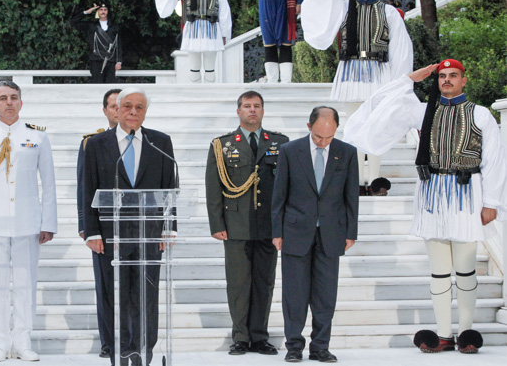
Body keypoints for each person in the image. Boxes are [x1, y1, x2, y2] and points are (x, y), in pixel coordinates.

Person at [343, 60, 507, 354]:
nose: (446, 80)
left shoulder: (480, 114)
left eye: (453, 76)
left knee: (466, 267)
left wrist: (492, 203)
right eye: (442, 76)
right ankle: (444, 334)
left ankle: (467, 331)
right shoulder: (422, 111)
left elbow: (495, 160)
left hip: (468, 194)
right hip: (432, 194)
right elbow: (379, 103)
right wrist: (409, 79)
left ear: (463, 81)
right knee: (440, 269)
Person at [82, 87, 177, 366]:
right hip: (111, 236)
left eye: (139, 108)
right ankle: (120, 353)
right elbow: (87, 188)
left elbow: (169, 187)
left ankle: (143, 353)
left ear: (145, 112)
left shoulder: (160, 142)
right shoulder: (98, 144)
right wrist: (92, 231)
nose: (133, 112)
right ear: (117, 109)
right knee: (116, 297)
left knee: (146, 296)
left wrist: (169, 226)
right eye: (127, 107)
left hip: (149, 235)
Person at [0, 81, 58, 362]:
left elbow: (49, 184)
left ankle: (23, 340)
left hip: (27, 221)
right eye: (3, 98)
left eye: (14, 98)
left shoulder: (37, 137)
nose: (9, 103)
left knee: (25, 284)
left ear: (21, 103)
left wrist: (48, 222)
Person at [301, 0, 413, 193]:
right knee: (354, 125)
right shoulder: (343, 9)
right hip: (351, 72)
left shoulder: (389, 12)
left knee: (377, 125)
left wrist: (399, 82)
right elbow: (314, 2)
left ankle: (374, 179)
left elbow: (401, 49)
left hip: (379, 71)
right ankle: (357, 179)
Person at [271, 107, 358, 363]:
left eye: (329, 137)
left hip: (332, 232)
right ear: (309, 127)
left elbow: (351, 196)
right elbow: (279, 195)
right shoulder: (289, 151)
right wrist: (277, 231)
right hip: (295, 231)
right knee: (294, 293)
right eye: (319, 136)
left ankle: (320, 346)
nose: (323, 142)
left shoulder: (347, 152)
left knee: (325, 294)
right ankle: (294, 346)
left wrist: (351, 231)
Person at [205, 90, 287, 356]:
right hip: (236, 224)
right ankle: (240, 337)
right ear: (238, 111)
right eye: (247, 106)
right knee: (239, 283)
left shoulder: (280, 143)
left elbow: (287, 187)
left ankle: (260, 337)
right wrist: (216, 223)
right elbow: (213, 187)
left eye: (257, 106)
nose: (252, 110)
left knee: (264, 282)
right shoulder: (222, 145)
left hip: (268, 226)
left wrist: (283, 225)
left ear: (263, 111)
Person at [76, 88, 121, 358]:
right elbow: (85, 186)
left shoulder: (148, 141)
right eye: (112, 106)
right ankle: (109, 341)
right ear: (105, 110)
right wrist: (87, 227)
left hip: (137, 227)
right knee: (105, 287)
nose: (118, 110)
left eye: (123, 104)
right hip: (103, 227)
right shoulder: (91, 143)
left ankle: (132, 336)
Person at [155, 0, 232, 83]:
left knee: (210, 66)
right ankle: (195, 92)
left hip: (211, 27)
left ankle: (209, 92)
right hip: (193, 28)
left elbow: (224, 12)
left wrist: (224, 33)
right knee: (194, 65)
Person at [71, 4, 123, 83]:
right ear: (97, 12)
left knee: (110, 86)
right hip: (96, 60)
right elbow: (73, 23)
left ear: (108, 12)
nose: (103, 12)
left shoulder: (114, 27)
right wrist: (86, 12)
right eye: (101, 10)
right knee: (97, 84)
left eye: (105, 10)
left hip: (110, 60)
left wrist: (119, 61)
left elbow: (118, 44)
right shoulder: (91, 26)